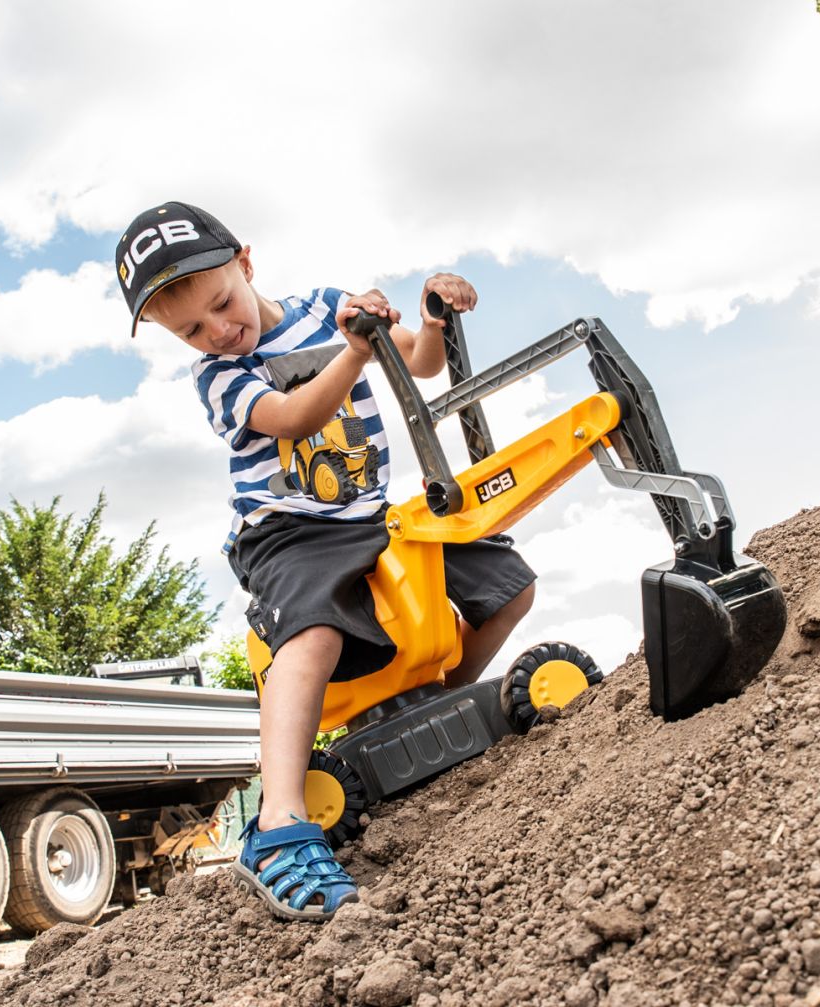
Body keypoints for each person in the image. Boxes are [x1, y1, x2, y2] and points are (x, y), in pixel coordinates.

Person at [114, 202, 536, 920]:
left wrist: (431, 318)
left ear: (245, 263)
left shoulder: (324, 308)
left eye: (221, 303)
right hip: (287, 532)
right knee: (311, 631)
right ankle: (277, 824)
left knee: (504, 585)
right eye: (190, 329)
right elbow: (295, 418)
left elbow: (422, 364)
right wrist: (354, 352)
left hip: (369, 515)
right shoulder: (220, 377)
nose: (217, 331)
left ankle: (443, 697)